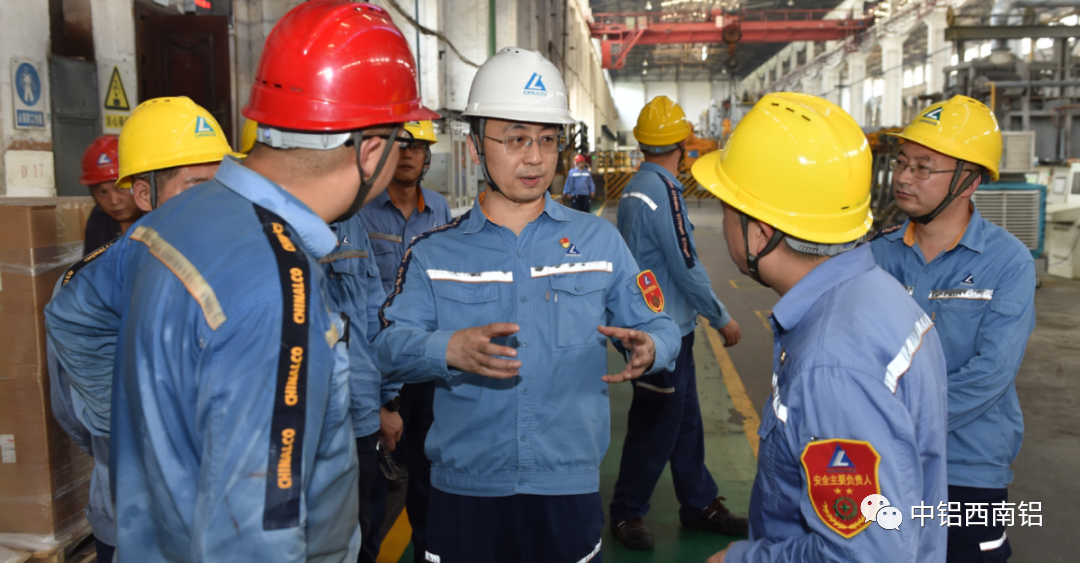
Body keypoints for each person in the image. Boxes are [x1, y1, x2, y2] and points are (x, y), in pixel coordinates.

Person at [62, 2, 436, 559]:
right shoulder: (279, 289)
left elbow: (75, 312)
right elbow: (255, 539)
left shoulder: (170, 221)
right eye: (401, 139)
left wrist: (134, 434)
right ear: (371, 150)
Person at [372, 47, 681, 563]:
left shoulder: (599, 245)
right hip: (465, 492)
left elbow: (660, 323)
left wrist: (651, 345)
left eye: (546, 139)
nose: (535, 157)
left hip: (567, 488)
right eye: (515, 139)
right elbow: (387, 348)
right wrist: (446, 347)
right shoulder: (434, 253)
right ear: (475, 145)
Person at [692, 93, 948, 563]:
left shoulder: (831, 364)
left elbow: (867, 555)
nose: (724, 217)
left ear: (761, 230)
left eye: (729, 205)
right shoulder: (875, 294)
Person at [45, 97, 237, 563]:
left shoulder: (240, 273)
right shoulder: (88, 292)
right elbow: (78, 414)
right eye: (194, 186)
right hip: (139, 521)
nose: (214, 204)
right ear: (145, 195)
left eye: (223, 185)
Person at [870, 95, 1036, 563]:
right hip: (884, 464)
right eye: (902, 162)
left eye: (924, 167)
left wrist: (895, 421)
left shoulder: (1007, 262)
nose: (903, 176)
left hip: (967, 468)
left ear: (969, 181)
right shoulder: (876, 257)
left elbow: (991, 375)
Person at [609, 94, 746, 550]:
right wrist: (721, 316)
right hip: (660, 334)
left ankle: (699, 503)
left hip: (655, 327)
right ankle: (627, 512)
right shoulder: (663, 191)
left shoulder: (634, 188)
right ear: (682, 145)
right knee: (656, 424)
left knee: (684, 420)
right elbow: (686, 264)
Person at [357, 119, 451, 562]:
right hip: (382, 367)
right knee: (373, 487)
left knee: (431, 479)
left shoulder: (441, 211)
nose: (411, 154)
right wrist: (378, 398)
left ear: (428, 156)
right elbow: (359, 304)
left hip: (429, 367)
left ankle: (428, 553)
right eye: (403, 146)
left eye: (419, 147)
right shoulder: (361, 212)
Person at [78, 135, 143, 253]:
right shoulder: (98, 218)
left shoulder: (159, 213)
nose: (113, 201)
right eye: (102, 192)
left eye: (121, 187)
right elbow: (91, 267)